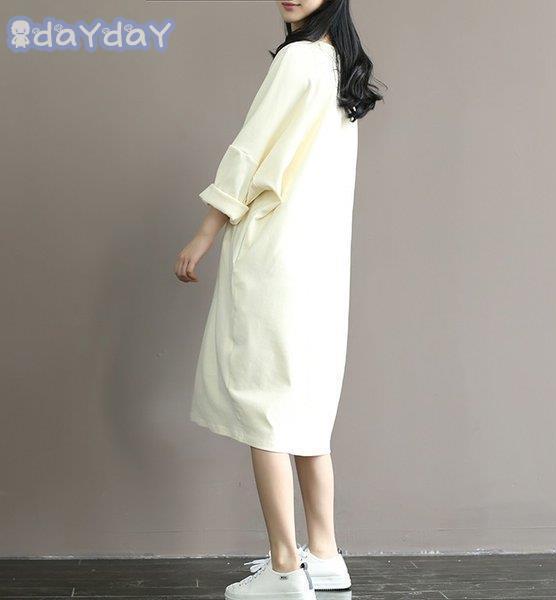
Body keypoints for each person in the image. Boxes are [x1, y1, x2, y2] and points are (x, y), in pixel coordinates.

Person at [175, 1, 382, 598]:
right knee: (306, 409)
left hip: (276, 257)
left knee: (265, 406)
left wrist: (204, 234)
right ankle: (326, 554)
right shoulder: (341, 68)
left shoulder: (297, 61)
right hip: (322, 263)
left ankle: (285, 568)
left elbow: (249, 153)